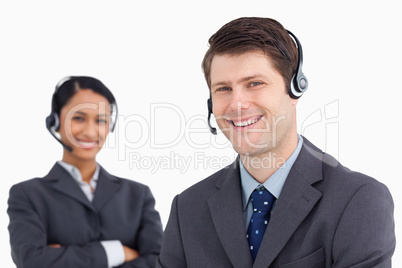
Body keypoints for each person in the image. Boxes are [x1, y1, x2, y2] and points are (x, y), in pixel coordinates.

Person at [156, 17, 396, 267]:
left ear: (294, 90)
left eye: (254, 83)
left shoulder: (358, 200)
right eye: (223, 88)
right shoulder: (187, 209)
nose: (236, 104)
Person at [7, 76, 163, 268]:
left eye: (101, 120)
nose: (90, 132)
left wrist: (60, 259)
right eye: (79, 118)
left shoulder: (138, 195)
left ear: (110, 127)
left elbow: (159, 262)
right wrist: (117, 252)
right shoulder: (27, 194)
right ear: (55, 121)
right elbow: (31, 260)